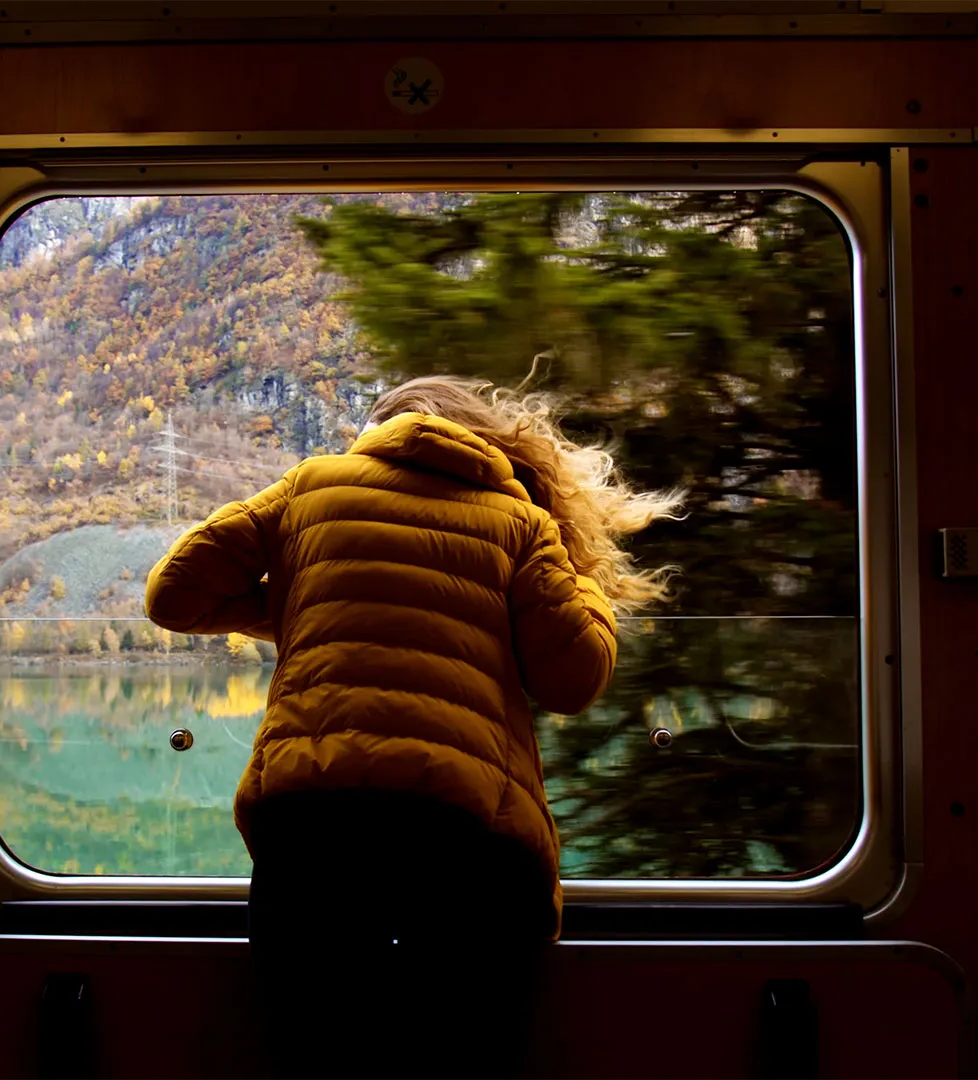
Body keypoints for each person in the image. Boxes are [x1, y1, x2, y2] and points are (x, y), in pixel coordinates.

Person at [144, 375, 680, 1078]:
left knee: (310, 1055)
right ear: (482, 438)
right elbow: (572, 680)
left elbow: (174, 595)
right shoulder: (520, 522)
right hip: (467, 835)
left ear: (378, 432)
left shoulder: (311, 486)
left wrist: (306, 607)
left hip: (313, 825)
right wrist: (586, 585)